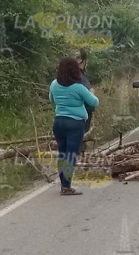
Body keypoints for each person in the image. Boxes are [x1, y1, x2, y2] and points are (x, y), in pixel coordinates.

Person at [49, 57, 99, 196]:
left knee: (62, 153)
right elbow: (94, 102)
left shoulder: (54, 84)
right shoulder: (79, 87)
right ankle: (66, 186)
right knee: (71, 154)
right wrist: (92, 93)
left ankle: (63, 184)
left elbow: (51, 99)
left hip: (58, 122)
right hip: (75, 124)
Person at [74, 49, 94, 133]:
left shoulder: (83, 74)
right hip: (81, 113)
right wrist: (91, 93)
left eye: (77, 57)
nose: (76, 60)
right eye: (75, 57)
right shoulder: (77, 74)